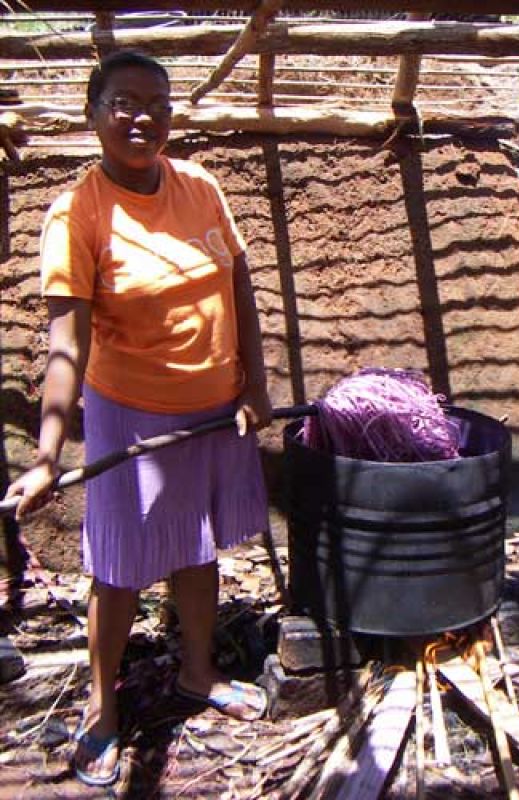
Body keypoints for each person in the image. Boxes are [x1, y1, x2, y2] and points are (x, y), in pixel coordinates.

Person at [4, 49, 272, 788]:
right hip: (132, 415)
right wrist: (49, 454)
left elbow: (238, 278)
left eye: (156, 101)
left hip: (214, 407)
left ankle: (196, 672)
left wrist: (255, 379)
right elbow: (65, 347)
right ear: (93, 114)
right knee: (118, 568)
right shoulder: (77, 215)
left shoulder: (201, 187)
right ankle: (100, 710)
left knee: (197, 541)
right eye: (122, 102)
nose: (142, 116)